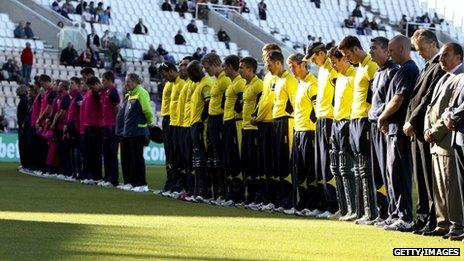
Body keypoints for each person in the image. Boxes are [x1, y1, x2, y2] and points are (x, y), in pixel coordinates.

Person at [404, 29, 446, 234]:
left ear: (433, 44)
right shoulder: (427, 66)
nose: (418, 52)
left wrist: (411, 121)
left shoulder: (439, 65)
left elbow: (427, 98)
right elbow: (415, 99)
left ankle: (432, 219)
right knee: (419, 177)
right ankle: (422, 218)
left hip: (425, 128)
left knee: (429, 178)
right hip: (417, 129)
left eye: (421, 48)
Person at [378, 35, 419, 231]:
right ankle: (395, 214)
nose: (389, 53)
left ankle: (406, 217)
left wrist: (382, 117)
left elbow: (398, 99)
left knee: (400, 174)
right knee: (392, 173)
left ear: (402, 49)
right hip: (393, 130)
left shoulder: (409, 69)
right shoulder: (401, 70)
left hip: (400, 131)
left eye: (392, 50)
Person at [424, 43, 464, 237]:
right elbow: (431, 108)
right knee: (439, 187)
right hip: (435, 140)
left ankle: (458, 225)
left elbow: (450, 110)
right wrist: (427, 129)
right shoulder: (443, 77)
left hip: (447, 138)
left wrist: (434, 131)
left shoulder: (460, 77)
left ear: (459, 57)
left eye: (446, 55)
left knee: (451, 188)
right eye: (440, 55)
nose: (441, 58)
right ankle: (443, 223)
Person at [339, 35, 379, 223]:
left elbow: (375, 96)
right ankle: (362, 211)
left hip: (364, 119)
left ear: (355, 49)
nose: (347, 58)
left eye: (348, 54)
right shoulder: (359, 68)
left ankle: (373, 212)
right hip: (354, 119)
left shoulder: (371, 65)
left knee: (366, 168)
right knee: (358, 167)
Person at [302, 42, 338, 217]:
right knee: (320, 165)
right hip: (321, 119)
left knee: (329, 164)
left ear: (322, 53)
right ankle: (323, 203)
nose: (313, 61)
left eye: (314, 57)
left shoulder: (333, 68)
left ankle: (333, 205)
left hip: (331, 119)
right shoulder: (323, 70)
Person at [368, 37, 399, 226]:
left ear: (387, 51)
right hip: (373, 124)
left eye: (374, 48)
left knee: (388, 172)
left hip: (384, 126)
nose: (370, 51)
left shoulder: (393, 71)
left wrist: (383, 118)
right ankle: (384, 212)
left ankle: (393, 213)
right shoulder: (379, 72)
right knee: (378, 172)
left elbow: (393, 101)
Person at [286, 53, 318, 216]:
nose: (291, 69)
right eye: (290, 66)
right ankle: (302, 203)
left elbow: (316, 110)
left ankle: (312, 205)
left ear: (303, 64)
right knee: (299, 170)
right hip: (298, 130)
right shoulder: (301, 84)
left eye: (293, 66)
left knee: (309, 170)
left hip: (309, 132)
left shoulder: (312, 84)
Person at [250, 43, 281, 212]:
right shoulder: (268, 76)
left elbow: (270, 102)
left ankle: (274, 199)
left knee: (271, 164)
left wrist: (259, 118)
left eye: (266, 54)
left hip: (271, 123)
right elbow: (263, 100)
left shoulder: (278, 76)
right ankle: (265, 198)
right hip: (263, 122)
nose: (264, 58)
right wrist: (256, 114)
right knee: (263, 164)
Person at [326, 46, 356, 221]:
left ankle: (354, 208)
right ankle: (343, 208)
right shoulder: (339, 78)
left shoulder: (354, 76)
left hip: (348, 123)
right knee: (336, 168)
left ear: (345, 59)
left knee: (348, 167)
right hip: (336, 123)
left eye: (335, 62)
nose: (333, 65)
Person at [266, 50, 297, 213]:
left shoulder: (289, 80)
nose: (267, 68)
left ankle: (289, 202)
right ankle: (280, 200)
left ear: (278, 63)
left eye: (269, 65)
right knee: (277, 162)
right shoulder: (277, 80)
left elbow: (294, 104)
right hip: (276, 122)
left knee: (286, 162)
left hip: (286, 122)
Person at [201, 53, 230, 203]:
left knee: (220, 158)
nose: (206, 71)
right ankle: (216, 193)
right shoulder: (217, 80)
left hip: (219, 120)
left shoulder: (225, 80)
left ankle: (223, 193)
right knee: (212, 158)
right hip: (212, 121)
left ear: (214, 64)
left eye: (207, 68)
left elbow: (227, 104)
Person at [120, 73, 154, 192]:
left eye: (128, 81)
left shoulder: (141, 92)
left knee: (138, 159)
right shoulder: (130, 95)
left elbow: (147, 110)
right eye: (125, 81)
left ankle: (142, 184)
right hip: (129, 132)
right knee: (130, 159)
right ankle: (133, 182)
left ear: (135, 81)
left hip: (138, 131)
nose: (126, 84)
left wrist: (150, 122)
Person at [186, 60, 213, 202]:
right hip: (194, 124)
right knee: (197, 159)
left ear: (197, 71)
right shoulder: (199, 84)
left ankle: (204, 192)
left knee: (202, 159)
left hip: (200, 126)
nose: (189, 76)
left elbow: (208, 105)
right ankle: (198, 191)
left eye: (190, 73)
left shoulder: (206, 83)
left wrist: (201, 122)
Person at [221, 55, 246, 206]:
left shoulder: (240, 82)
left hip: (236, 123)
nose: (223, 69)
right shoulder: (232, 83)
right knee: (229, 159)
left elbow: (242, 102)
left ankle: (238, 195)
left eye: (224, 66)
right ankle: (232, 194)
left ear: (230, 66)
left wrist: (236, 112)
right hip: (228, 122)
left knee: (236, 159)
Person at [159, 62, 186, 197]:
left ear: (170, 71)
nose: (165, 78)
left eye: (165, 75)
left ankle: (177, 184)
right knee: (169, 154)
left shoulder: (181, 84)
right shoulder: (170, 84)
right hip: (167, 119)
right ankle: (171, 183)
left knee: (176, 154)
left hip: (175, 121)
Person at [239, 56, 263, 207]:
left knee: (254, 166)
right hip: (245, 129)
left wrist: (256, 117)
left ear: (250, 69)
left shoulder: (258, 84)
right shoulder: (246, 85)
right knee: (246, 165)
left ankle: (257, 197)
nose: (239, 70)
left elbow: (261, 103)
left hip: (254, 130)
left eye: (242, 67)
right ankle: (250, 196)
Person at [99, 71, 120, 187]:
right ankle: (107, 177)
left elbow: (116, 108)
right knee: (106, 152)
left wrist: (116, 125)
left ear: (109, 80)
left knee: (112, 153)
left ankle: (113, 179)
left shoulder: (113, 92)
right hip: (105, 125)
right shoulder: (106, 92)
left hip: (111, 126)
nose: (102, 83)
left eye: (103, 80)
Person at [17, 85, 29, 170]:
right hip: (22, 125)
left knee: (22, 145)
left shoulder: (23, 100)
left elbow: (24, 114)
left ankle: (24, 163)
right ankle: (24, 163)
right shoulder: (24, 100)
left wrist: (22, 125)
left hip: (22, 126)